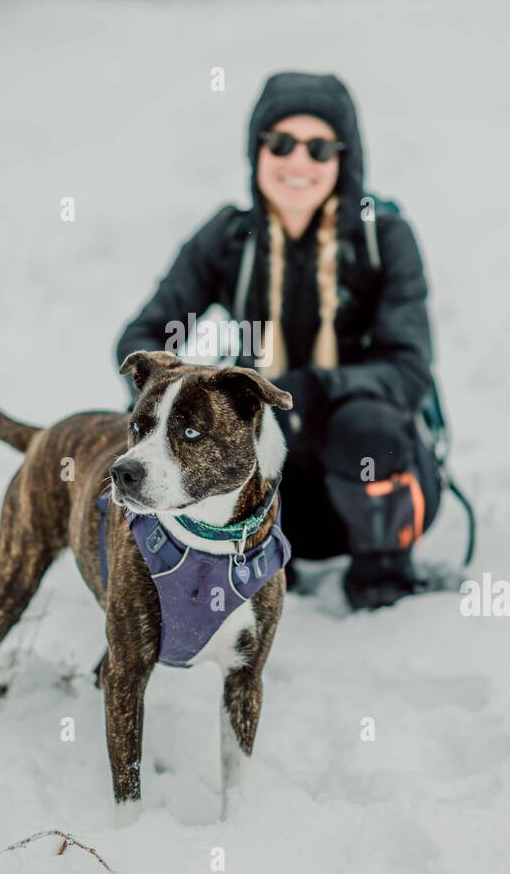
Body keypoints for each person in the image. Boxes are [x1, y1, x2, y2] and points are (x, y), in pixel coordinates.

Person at [115, 71, 443, 610]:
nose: (298, 163)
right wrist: (189, 395)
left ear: (345, 159)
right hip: (264, 490)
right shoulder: (229, 238)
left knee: (367, 424)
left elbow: (407, 370)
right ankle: (228, 562)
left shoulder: (382, 240)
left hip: (373, 480)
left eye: (319, 148)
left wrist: (310, 387)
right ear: (257, 151)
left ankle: (383, 575)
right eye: (281, 143)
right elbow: (142, 337)